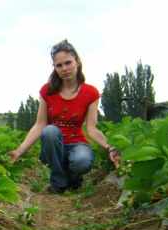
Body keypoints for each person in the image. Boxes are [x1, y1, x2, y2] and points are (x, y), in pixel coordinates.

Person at [9, 39, 120, 193]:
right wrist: (19, 151)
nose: (64, 68)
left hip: (77, 143)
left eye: (68, 63)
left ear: (77, 62)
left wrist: (110, 147)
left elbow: (91, 128)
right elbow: (40, 125)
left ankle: (74, 178)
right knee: (49, 131)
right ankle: (58, 183)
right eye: (59, 65)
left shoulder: (90, 93)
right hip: (53, 145)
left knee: (81, 161)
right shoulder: (48, 91)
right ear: (54, 68)